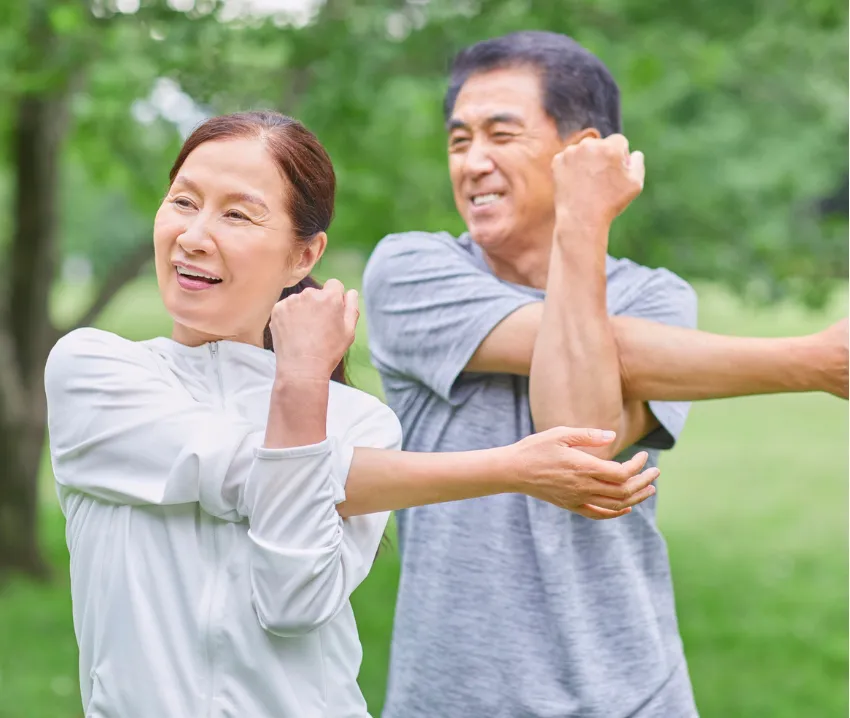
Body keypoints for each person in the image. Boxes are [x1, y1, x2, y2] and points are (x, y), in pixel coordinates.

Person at [44, 111, 663, 718]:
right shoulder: (94, 371)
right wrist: (509, 468)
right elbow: (234, 466)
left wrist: (302, 384)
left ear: (303, 256)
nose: (195, 236)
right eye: (183, 202)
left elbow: (292, 603)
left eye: (237, 214)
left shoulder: (358, 421)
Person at [362, 31, 848, 718]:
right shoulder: (410, 270)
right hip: (455, 699)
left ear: (583, 151)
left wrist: (580, 220)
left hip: (633, 696)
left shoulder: (656, 296)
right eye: (458, 140)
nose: (472, 162)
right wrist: (813, 361)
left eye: (501, 134)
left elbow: (581, 436)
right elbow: (592, 375)